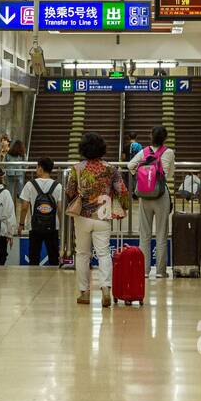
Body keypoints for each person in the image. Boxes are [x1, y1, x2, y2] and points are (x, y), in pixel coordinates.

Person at [64, 131, 129, 308]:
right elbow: (122, 191)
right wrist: (124, 207)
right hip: (103, 215)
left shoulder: (77, 169)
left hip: (83, 217)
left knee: (83, 254)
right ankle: (106, 289)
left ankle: (84, 292)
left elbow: (70, 191)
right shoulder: (110, 169)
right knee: (103, 253)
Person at [129, 125, 175, 279]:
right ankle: (161, 271)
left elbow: (130, 165)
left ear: (151, 137)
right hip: (161, 195)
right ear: (165, 138)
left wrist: (140, 174)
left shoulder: (144, 151)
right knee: (161, 234)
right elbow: (169, 174)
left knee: (144, 234)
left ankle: (144, 271)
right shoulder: (168, 152)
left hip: (144, 196)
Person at [18, 157, 63, 266]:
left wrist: (21, 224)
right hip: (53, 227)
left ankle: (33, 280)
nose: (36, 170)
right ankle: (54, 280)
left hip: (35, 227)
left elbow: (24, 207)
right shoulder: (58, 186)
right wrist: (62, 227)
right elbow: (60, 210)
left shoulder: (30, 185)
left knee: (34, 257)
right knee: (53, 257)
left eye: (37, 167)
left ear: (41, 169)